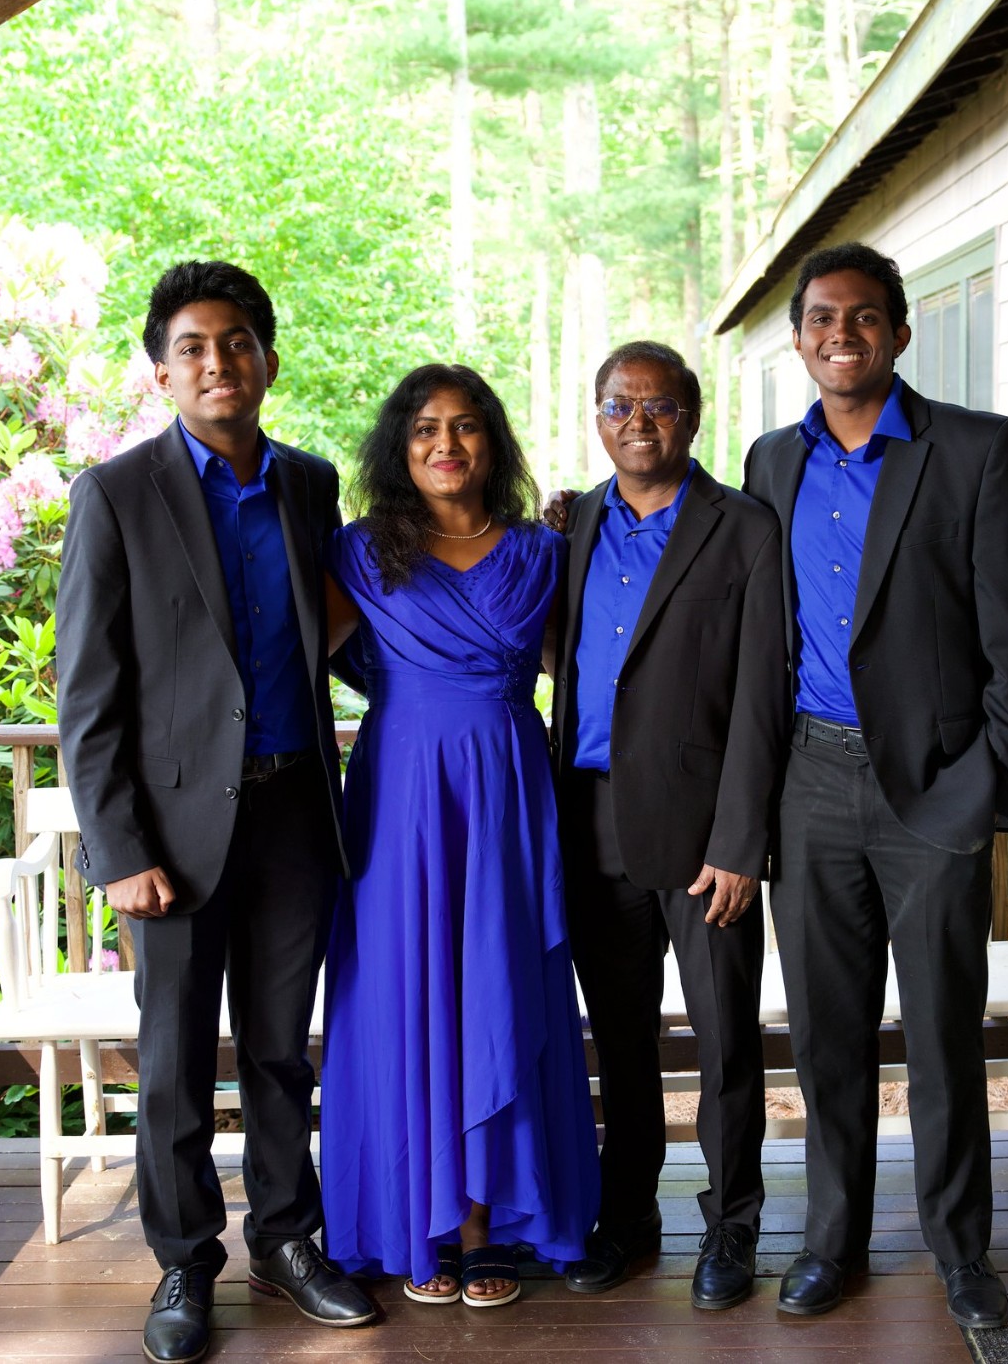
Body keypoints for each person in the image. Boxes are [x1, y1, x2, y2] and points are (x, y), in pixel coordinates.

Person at [55, 261, 378, 1364]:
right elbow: (88, 695)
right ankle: (186, 1265)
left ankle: (289, 1243)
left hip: (295, 815)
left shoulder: (309, 483)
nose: (215, 362)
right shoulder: (114, 495)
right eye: (192, 347)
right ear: (161, 372)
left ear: (267, 361)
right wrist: (118, 850)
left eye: (235, 342)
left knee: (284, 1052)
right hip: (176, 836)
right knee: (175, 1060)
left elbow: (344, 623)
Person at [741, 243, 1008, 1334]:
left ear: (899, 333)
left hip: (935, 793)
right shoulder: (768, 465)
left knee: (939, 1035)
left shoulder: (975, 452)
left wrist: (982, 791)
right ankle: (829, 1241)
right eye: (822, 317)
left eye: (864, 317)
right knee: (824, 1034)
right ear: (797, 340)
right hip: (810, 783)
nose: (842, 333)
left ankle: (959, 1251)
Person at [317, 364, 601, 1309]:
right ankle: (419, 1220)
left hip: (510, 789)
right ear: (399, 449)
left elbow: (592, 669)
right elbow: (285, 661)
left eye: (468, 426)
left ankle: (489, 1224)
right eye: (426, 429)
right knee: (408, 992)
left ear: (495, 443)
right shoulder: (360, 553)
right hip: (403, 791)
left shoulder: (542, 548)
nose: (447, 443)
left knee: (499, 983)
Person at [552, 342, 786, 1311]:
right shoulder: (571, 527)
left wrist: (741, 842)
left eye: (657, 406)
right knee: (620, 1037)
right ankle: (629, 1216)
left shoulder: (743, 530)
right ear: (597, 418)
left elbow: (764, 696)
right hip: (590, 818)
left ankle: (730, 1226)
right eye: (619, 405)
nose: (637, 422)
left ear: (691, 418)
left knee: (726, 1039)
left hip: (702, 837)